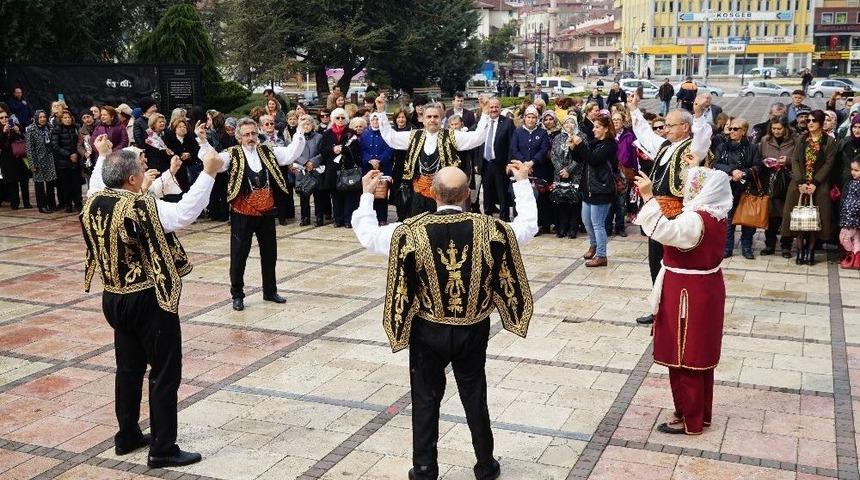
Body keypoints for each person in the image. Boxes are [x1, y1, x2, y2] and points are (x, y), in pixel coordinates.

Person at [350, 161, 537, 480]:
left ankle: (424, 468)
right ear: (467, 193)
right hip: (473, 327)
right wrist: (521, 183)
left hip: (428, 329)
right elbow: (528, 226)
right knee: (474, 394)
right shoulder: (492, 229)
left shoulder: (408, 231)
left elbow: (368, 236)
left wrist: (367, 196)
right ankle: (485, 464)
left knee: (425, 398)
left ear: (433, 193)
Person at [83, 134, 220, 468]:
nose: (146, 170)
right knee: (164, 371)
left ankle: (127, 434)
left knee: (128, 369)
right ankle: (162, 448)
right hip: (148, 298)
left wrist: (103, 156)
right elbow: (184, 214)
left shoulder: (94, 200)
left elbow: (101, 183)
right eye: (141, 168)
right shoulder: (140, 206)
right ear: (131, 179)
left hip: (113, 297)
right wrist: (209, 174)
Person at [633, 165, 733, 436]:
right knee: (699, 356)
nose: (688, 190)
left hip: (686, 291)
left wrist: (648, 197)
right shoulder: (716, 213)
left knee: (684, 356)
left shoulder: (696, 220)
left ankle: (690, 418)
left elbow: (662, 231)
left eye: (693, 186)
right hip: (704, 287)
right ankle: (700, 413)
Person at [195, 117, 307, 311]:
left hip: (266, 212)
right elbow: (213, 162)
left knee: (270, 253)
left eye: (253, 133)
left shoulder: (268, 150)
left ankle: (270, 291)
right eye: (246, 134)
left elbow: (290, 154)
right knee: (239, 256)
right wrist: (203, 142)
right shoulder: (231, 154)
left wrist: (299, 132)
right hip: (242, 213)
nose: (251, 138)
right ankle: (237, 295)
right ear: (239, 137)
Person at [628, 92, 712, 325]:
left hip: (677, 216)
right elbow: (645, 134)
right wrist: (634, 109)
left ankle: (677, 308)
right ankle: (659, 309)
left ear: (685, 127)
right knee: (655, 261)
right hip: (658, 212)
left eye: (670, 125)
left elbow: (703, 139)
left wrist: (698, 114)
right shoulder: (665, 146)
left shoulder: (693, 148)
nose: (664, 129)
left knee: (674, 264)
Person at [374, 95, 490, 217]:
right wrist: (381, 111)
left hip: (444, 195)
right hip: (418, 194)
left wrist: (486, 112)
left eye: (436, 117)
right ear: (423, 120)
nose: (432, 120)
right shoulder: (414, 136)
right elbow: (390, 137)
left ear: (441, 119)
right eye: (429, 117)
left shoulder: (452, 136)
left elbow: (478, 137)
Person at [781, 110, 836, 265]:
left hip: (818, 185)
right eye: (809, 120)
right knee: (798, 218)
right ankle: (800, 251)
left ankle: (810, 251)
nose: (810, 123)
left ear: (821, 123)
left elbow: (828, 164)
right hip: (799, 184)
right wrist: (800, 182)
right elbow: (796, 161)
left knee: (814, 219)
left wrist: (815, 183)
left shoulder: (829, 141)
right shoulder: (802, 138)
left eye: (814, 120)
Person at [713, 117, 761, 259]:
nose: (731, 131)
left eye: (735, 129)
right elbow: (716, 163)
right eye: (730, 129)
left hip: (747, 188)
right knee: (728, 219)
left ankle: (746, 246)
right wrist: (732, 171)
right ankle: (727, 247)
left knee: (748, 219)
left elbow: (758, 166)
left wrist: (744, 173)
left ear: (744, 131)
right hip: (728, 188)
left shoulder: (752, 148)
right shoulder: (723, 147)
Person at [581, 116, 617, 267]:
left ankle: (601, 255)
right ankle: (594, 245)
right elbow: (580, 158)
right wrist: (574, 148)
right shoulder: (594, 143)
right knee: (586, 221)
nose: (594, 129)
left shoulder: (610, 145)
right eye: (594, 126)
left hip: (602, 190)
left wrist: (580, 146)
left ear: (606, 129)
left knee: (597, 224)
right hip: (589, 189)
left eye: (597, 127)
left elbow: (594, 160)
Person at [758, 116, 796, 258]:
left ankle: (786, 246)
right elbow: (760, 158)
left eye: (779, 129)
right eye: (773, 128)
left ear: (785, 128)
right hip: (770, 181)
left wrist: (788, 161)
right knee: (771, 215)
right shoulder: (765, 140)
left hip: (788, 182)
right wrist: (766, 162)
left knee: (786, 215)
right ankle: (770, 244)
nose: (776, 131)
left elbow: (799, 160)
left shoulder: (794, 140)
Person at [511, 105, 551, 234]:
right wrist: (524, 165)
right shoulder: (517, 132)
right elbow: (514, 149)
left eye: (534, 117)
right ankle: (521, 223)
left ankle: (538, 224)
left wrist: (531, 163)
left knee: (537, 197)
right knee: (520, 195)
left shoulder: (542, 133)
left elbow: (543, 149)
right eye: (529, 117)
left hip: (537, 170)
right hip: (521, 171)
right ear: (525, 118)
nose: (531, 120)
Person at [478, 98, 516, 221]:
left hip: (500, 164)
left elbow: (512, 145)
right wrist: (477, 162)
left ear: (500, 108)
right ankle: (487, 219)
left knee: (502, 193)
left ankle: (504, 219)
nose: (494, 109)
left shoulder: (507, 123)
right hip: (485, 163)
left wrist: (509, 164)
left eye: (496, 107)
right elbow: (477, 142)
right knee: (487, 192)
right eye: (491, 107)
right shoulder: (482, 122)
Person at [551, 116, 587, 238]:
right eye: (567, 122)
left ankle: (573, 228)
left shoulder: (581, 136)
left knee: (574, 201)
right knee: (561, 201)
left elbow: (582, 156)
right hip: (559, 174)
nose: (569, 124)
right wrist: (561, 169)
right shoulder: (558, 137)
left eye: (572, 122)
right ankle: (562, 228)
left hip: (575, 174)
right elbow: (553, 155)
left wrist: (569, 169)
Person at [361, 113, 394, 224]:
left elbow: (390, 148)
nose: (375, 121)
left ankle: (382, 218)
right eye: (373, 119)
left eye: (377, 119)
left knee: (381, 193)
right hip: (368, 167)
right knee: (370, 193)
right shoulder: (365, 134)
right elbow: (362, 150)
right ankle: (371, 217)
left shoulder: (385, 133)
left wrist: (379, 160)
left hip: (383, 166)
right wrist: (370, 159)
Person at [292, 115, 323, 226]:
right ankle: (305, 218)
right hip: (302, 170)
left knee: (318, 195)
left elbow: (322, 153)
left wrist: (312, 162)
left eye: (308, 123)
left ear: (312, 125)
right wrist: (305, 162)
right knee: (304, 195)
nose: (306, 126)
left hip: (315, 169)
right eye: (303, 124)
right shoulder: (297, 138)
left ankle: (319, 217)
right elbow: (294, 152)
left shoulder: (319, 137)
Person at [610, 110, 636, 237]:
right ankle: (608, 226)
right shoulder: (608, 134)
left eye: (618, 119)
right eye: (613, 119)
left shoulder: (629, 136)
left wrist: (634, 171)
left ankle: (620, 227)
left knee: (621, 202)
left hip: (625, 172)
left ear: (623, 121)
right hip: (609, 171)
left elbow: (634, 155)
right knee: (609, 201)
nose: (615, 122)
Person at [51, 110, 82, 213]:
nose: (67, 119)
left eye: (69, 117)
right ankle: (68, 204)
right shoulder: (57, 129)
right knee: (66, 185)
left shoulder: (76, 128)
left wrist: (76, 154)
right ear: (61, 119)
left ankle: (78, 204)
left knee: (76, 184)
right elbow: (55, 146)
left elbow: (80, 143)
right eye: (65, 118)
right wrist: (69, 154)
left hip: (75, 160)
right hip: (63, 162)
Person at [25, 110, 55, 212]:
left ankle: (51, 204)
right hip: (38, 160)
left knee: (50, 183)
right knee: (39, 184)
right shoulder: (31, 130)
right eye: (40, 117)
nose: (43, 119)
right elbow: (29, 149)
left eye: (44, 117)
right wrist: (32, 164)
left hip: (49, 159)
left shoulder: (50, 127)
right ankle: (42, 206)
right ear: (36, 118)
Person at [839, 159, 860, 268]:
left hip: (853, 217)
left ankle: (850, 255)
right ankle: (856, 259)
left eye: (856, 170)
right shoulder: (851, 182)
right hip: (848, 216)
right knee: (856, 238)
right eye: (852, 169)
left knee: (844, 237)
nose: (853, 172)